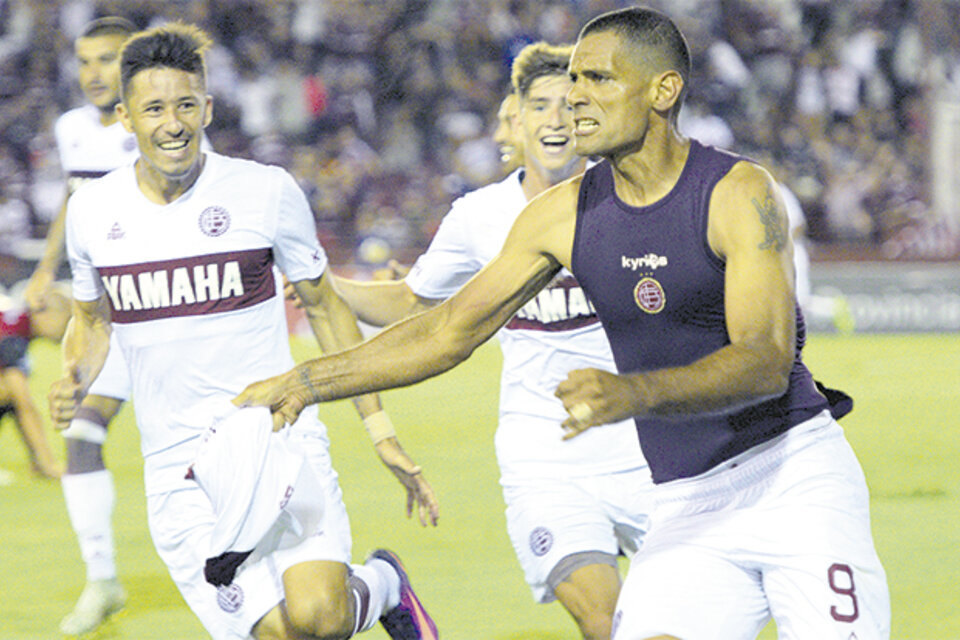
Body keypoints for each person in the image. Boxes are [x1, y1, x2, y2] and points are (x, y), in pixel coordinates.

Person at [236, 7, 890, 640]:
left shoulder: (737, 192)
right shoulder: (559, 217)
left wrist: (631, 394)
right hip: (686, 505)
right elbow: (444, 331)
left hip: (792, 484)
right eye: (572, 79)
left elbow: (765, 360)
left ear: (663, 90)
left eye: (596, 79)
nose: (573, 98)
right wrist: (306, 380)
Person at [49, 22, 439, 640]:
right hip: (178, 463)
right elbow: (91, 321)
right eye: (154, 109)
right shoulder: (93, 212)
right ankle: (381, 583)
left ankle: (383, 585)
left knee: (324, 618)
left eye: (185, 105)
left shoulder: (264, 192)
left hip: (275, 435)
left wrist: (379, 428)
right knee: (282, 634)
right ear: (126, 118)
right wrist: (74, 375)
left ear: (206, 107)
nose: (173, 123)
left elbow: (325, 305)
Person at [331, 43, 651, 640]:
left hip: (651, 451)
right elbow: (412, 302)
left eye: (570, 104)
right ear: (518, 119)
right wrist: (326, 286)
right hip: (545, 456)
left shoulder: (637, 200)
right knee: (606, 623)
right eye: (540, 106)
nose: (555, 119)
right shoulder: (480, 217)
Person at [24, 17, 140, 634]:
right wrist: (48, 268)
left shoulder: (155, 125)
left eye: (108, 59)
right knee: (82, 435)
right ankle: (103, 580)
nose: (94, 72)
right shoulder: (72, 129)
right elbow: (75, 200)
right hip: (107, 317)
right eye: (85, 60)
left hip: (166, 314)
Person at [0, 285, 71, 480]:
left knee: (9, 395)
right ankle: (45, 464)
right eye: (66, 321)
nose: (66, 332)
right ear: (46, 314)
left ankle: (38, 463)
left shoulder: (13, 323)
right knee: (10, 393)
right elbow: (25, 406)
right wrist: (52, 465)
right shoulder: (13, 335)